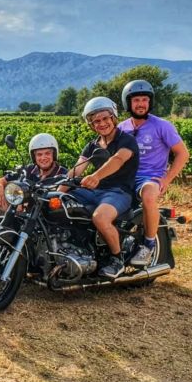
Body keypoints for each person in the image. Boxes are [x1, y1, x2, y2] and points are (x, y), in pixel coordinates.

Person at [118, 79, 189, 266]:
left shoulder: (162, 126)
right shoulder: (122, 128)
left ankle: (148, 245)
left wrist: (166, 179)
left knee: (149, 196)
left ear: (150, 102)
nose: (141, 104)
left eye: (144, 99)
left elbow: (182, 153)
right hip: (125, 178)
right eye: (136, 100)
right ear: (128, 103)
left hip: (149, 178)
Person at [67, 97, 140, 279]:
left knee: (100, 217)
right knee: (61, 202)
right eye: (96, 121)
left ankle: (117, 259)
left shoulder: (127, 140)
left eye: (105, 118)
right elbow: (77, 169)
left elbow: (116, 160)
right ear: (91, 125)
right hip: (95, 192)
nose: (102, 123)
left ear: (113, 117)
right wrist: (57, 187)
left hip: (119, 192)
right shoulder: (92, 146)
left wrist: (96, 176)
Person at [0, 133, 68, 211]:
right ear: (34, 157)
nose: (43, 157)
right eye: (39, 154)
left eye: (47, 153)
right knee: (0, 192)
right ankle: (1, 220)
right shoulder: (28, 170)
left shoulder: (63, 174)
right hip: (26, 216)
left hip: (49, 217)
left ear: (54, 154)